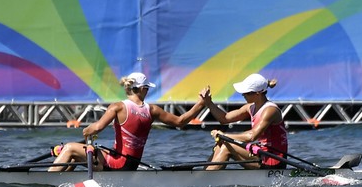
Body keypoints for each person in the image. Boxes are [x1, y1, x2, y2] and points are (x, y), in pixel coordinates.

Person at [49, 72, 205, 171]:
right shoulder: (152, 110)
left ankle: (49, 180)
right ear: (142, 88)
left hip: (117, 164)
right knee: (76, 155)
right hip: (132, 164)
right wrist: (201, 103)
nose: (148, 91)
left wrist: (86, 133)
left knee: (69, 147)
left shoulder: (117, 107)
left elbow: (95, 128)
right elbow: (180, 121)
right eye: (147, 88)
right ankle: (63, 183)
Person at [199, 73, 288, 170]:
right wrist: (209, 103)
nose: (243, 95)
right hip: (260, 154)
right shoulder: (250, 108)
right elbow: (224, 118)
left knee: (226, 145)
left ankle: (205, 178)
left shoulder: (270, 110)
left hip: (274, 160)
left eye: (246, 93)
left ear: (258, 93)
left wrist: (224, 136)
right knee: (221, 144)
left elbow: (252, 136)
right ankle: (204, 174)